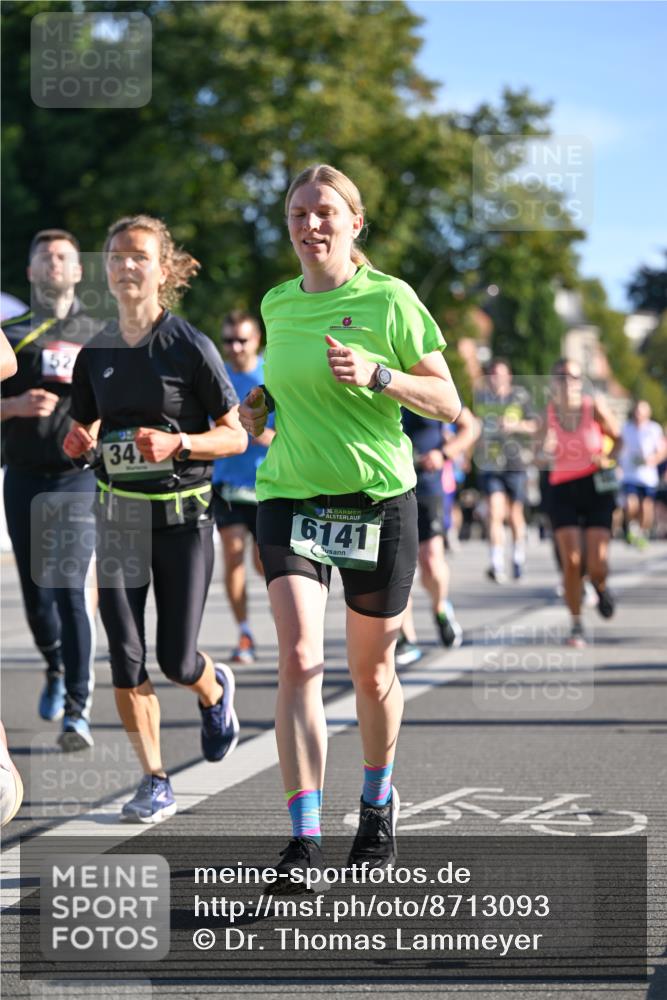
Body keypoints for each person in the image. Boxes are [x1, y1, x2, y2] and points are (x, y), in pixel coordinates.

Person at [239, 164, 461, 880]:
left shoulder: (389, 299)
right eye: (298, 214)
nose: (311, 225)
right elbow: (281, 386)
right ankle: (303, 838)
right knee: (300, 659)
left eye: (325, 212)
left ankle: (375, 802)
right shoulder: (276, 303)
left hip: (376, 500)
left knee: (370, 672)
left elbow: (447, 401)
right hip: (292, 496)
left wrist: (380, 375)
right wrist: (258, 408)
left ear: (353, 223)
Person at [63, 215, 246, 822]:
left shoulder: (189, 345)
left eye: (138, 255)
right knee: (126, 654)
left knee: (176, 660)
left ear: (163, 269)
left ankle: (213, 688)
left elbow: (236, 437)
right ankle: (154, 778)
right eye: (115, 256)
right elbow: (87, 423)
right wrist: (78, 438)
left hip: (183, 523)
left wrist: (180, 446)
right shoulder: (95, 352)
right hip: (116, 520)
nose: (124, 265)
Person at [1, 230, 103, 750]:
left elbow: (122, 401)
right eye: (44, 257)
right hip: (21, 476)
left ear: (78, 270)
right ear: (31, 271)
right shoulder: (9, 331)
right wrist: (14, 408)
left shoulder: (99, 331)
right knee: (38, 601)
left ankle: (78, 711)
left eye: (64, 255)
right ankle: (55, 665)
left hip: (78, 478)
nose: (55, 263)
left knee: (68, 587)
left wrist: (99, 428)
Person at [542, 359, 621, 647]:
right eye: (561, 377)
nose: (567, 382)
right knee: (572, 562)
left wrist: (608, 458)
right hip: (562, 489)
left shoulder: (593, 407)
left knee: (597, 563)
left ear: (580, 382)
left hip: (596, 486)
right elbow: (538, 453)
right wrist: (543, 449)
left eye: (573, 377)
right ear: (554, 383)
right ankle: (576, 625)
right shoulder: (547, 414)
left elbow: (618, 437)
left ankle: (600, 586)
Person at [212, 311, 275, 664]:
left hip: (269, 484)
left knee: (264, 563)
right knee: (233, 553)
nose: (234, 347)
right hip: (227, 484)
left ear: (256, 341)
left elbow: (296, 430)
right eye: (228, 340)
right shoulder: (216, 374)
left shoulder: (273, 373)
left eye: (242, 340)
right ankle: (245, 632)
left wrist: (261, 435)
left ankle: (282, 620)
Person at [397, 406, 479, 662]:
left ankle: (440, 608)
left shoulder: (424, 373)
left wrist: (444, 454)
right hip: (389, 484)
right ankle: (406, 638)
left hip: (427, 483)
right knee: (396, 567)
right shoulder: (370, 373)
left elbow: (470, 426)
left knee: (431, 560)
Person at [475, 358, 538, 582]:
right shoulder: (482, 399)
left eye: (500, 374)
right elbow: (474, 425)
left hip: (515, 462)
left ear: (508, 376)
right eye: (492, 374)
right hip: (491, 463)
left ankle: (518, 558)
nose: (495, 379)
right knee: (494, 511)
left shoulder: (520, 397)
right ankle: (496, 563)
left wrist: (515, 425)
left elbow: (535, 425)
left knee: (514, 515)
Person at [619, 400, 666, 548]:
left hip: (647, 476)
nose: (638, 414)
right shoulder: (626, 428)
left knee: (646, 508)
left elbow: (662, 451)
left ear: (647, 413)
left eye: (641, 412)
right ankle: (631, 528)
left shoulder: (654, 429)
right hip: (630, 474)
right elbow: (618, 446)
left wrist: (653, 459)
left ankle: (642, 532)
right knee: (630, 503)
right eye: (637, 411)